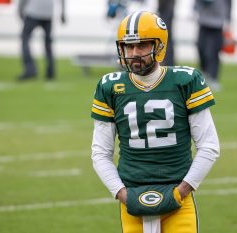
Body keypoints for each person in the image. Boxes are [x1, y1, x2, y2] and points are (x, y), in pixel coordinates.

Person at [91, 11, 220, 233]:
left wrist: (181, 191)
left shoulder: (185, 81)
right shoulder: (109, 86)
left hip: (178, 197)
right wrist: (122, 193)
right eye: (128, 47)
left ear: (159, 46)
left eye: (141, 46)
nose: (133, 53)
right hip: (130, 196)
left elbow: (209, 146)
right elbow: (100, 152)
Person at [17, 0, 66, 81]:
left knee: (25, 40)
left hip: (33, 11)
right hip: (48, 12)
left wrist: (20, 9)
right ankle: (50, 72)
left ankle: (30, 70)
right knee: (48, 43)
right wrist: (63, 12)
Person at [195, 0, 232, 91]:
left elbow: (229, 4)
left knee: (213, 52)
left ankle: (213, 78)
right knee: (201, 48)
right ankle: (203, 75)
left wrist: (228, 23)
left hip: (217, 23)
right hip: (203, 21)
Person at [158, 0, 176, 66]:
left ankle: (167, 64)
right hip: (164, 8)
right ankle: (167, 64)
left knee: (166, 36)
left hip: (166, 8)